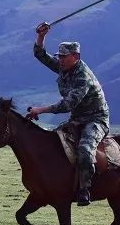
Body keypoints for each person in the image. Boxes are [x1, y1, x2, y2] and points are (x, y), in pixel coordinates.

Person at [26, 22, 109, 206]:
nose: (60, 60)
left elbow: (68, 104)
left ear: (75, 57)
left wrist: (41, 109)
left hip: (96, 120)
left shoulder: (83, 77)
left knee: (85, 151)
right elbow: (40, 55)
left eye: (64, 57)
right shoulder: (64, 68)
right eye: (60, 57)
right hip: (77, 119)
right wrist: (41, 36)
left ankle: (85, 190)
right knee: (52, 144)